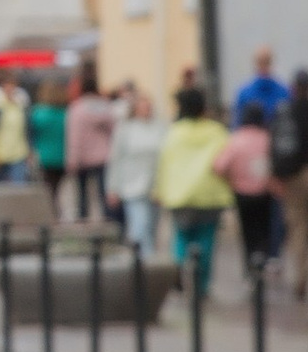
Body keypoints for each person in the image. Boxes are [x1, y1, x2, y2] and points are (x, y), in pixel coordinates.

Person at [154, 80, 233, 295]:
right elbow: (226, 163)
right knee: (206, 240)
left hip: (180, 194)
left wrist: (160, 190)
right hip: (209, 195)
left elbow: (164, 164)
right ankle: (202, 283)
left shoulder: (174, 133)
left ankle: (179, 267)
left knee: (181, 236)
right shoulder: (216, 131)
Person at [273, 64, 308, 299]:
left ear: (294, 88)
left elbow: (275, 144)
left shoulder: (285, 110)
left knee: (298, 227)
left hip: (294, 176)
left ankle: (301, 275)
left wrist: (277, 174)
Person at [223, 99, 277, 276]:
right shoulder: (267, 138)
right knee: (263, 231)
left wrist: (231, 180)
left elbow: (219, 165)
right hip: (264, 192)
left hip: (242, 193)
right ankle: (262, 262)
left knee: (247, 233)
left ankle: (249, 268)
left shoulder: (237, 139)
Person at [110, 84, 163, 257]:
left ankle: (148, 260)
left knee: (151, 228)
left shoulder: (160, 128)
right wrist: (113, 187)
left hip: (155, 186)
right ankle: (144, 265)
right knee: (140, 226)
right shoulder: (125, 129)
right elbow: (116, 158)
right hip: (132, 184)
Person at [65, 75, 116, 223]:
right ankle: (108, 223)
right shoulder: (106, 107)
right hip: (103, 157)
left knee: (82, 197)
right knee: (103, 195)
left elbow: (74, 136)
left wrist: (72, 159)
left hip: (83, 158)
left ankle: (83, 224)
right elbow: (113, 131)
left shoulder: (77, 108)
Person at [29, 78, 69, 200]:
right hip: (62, 157)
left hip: (44, 157)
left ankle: (50, 211)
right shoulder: (65, 114)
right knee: (57, 189)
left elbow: (31, 135)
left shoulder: (38, 114)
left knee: (47, 189)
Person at [0, 76, 31, 183]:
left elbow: (26, 130)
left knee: (19, 187)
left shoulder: (21, 107)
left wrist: (29, 150)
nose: (9, 89)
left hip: (19, 153)